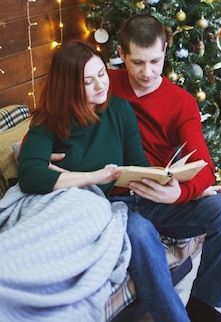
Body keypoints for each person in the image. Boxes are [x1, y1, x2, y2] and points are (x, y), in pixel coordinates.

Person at [17, 40, 192, 322]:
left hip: (110, 208)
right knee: (139, 231)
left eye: (102, 74)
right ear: (69, 86)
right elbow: (29, 175)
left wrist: (184, 184)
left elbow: (139, 165)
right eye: (88, 81)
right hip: (69, 210)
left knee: (142, 228)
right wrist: (95, 177)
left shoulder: (120, 110)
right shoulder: (49, 120)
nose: (101, 85)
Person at [108, 14, 221, 322]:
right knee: (141, 233)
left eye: (156, 61)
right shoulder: (104, 84)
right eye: (137, 63)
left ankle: (201, 304)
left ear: (166, 49)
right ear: (121, 54)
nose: (148, 72)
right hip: (116, 204)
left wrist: (180, 194)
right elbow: (58, 114)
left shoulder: (180, 101)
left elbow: (204, 167)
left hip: (162, 202)